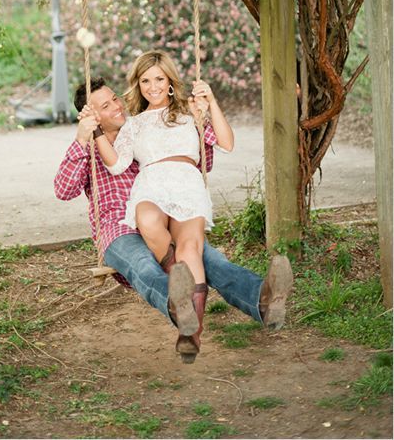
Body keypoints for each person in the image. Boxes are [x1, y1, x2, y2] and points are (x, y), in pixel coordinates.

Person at [54, 75, 293, 363]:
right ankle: (178, 306)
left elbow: (203, 163)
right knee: (144, 266)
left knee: (210, 260)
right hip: (120, 230)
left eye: (115, 98)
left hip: (167, 219)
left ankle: (262, 300)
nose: (117, 106)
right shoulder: (91, 149)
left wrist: (197, 126)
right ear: (93, 117)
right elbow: (63, 190)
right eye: (105, 106)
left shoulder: (142, 130)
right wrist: (82, 138)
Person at [88, 49, 234, 361]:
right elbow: (116, 164)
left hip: (186, 184)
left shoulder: (189, 114)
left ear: (169, 82)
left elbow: (227, 143)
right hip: (152, 185)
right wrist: (96, 130)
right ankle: (177, 280)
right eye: (145, 81)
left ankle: (190, 335)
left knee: (190, 250)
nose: (152, 87)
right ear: (137, 84)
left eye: (158, 79)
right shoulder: (135, 124)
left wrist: (211, 103)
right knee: (147, 218)